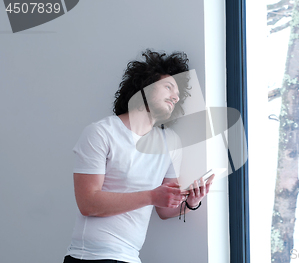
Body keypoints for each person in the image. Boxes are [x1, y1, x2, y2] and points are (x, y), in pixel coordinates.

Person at [63, 50, 212, 263]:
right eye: (169, 87)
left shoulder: (170, 143)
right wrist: (151, 196)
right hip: (90, 257)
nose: (176, 96)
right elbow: (88, 203)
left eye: (178, 93)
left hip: (130, 258)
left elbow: (164, 209)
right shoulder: (101, 133)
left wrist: (191, 202)